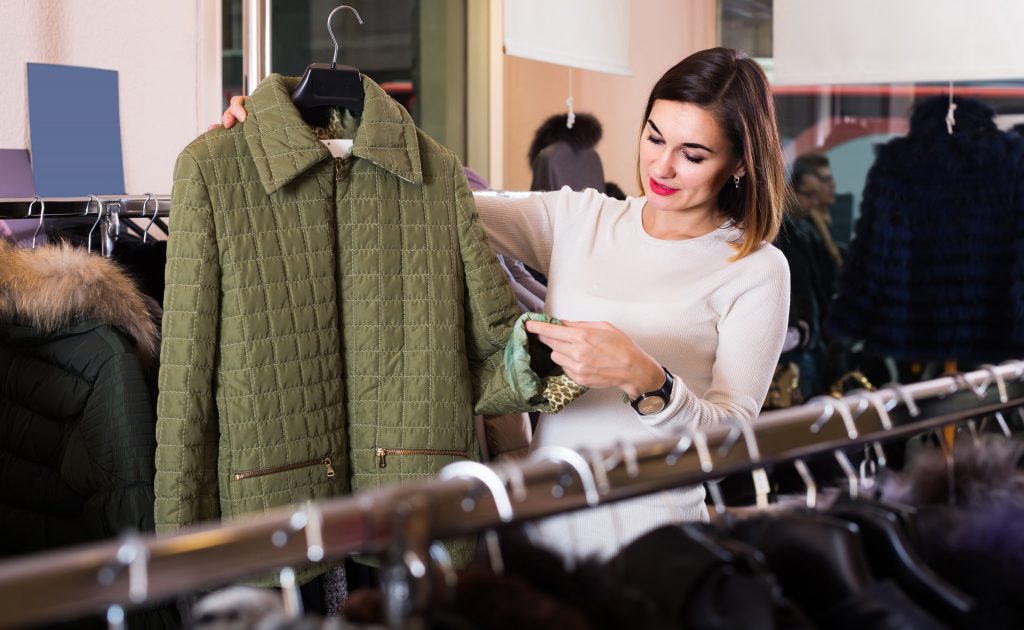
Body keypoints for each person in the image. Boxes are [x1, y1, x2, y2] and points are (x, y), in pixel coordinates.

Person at [215, 47, 790, 560]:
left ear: (739, 163)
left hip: (655, 547)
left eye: (693, 154)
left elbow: (735, 442)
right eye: (654, 136)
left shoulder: (756, 270)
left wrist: (650, 382)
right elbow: (439, 197)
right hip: (540, 530)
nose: (661, 167)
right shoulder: (579, 218)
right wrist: (287, 126)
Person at [792, 152, 843, 265]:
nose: (833, 184)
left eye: (831, 178)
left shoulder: (824, 220)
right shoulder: (803, 222)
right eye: (825, 179)